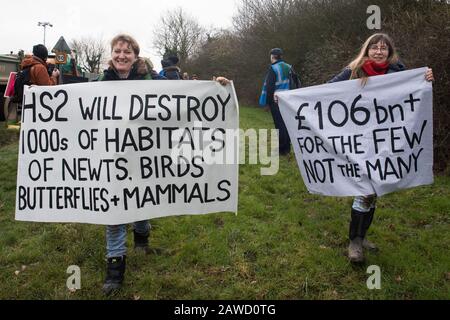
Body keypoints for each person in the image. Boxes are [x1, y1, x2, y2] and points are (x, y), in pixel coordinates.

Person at [98, 34, 230, 295]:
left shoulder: (152, 79)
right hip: (114, 154)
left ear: (135, 56)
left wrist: (216, 86)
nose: (122, 55)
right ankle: (115, 267)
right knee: (114, 208)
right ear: (111, 54)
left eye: (127, 51)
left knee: (142, 197)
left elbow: (182, 94)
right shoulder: (102, 81)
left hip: (147, 152)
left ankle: (142, 241)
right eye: (117, 51)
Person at [328, 33, 434, 263]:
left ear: (389, 52)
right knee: (365, 190)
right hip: (360, 142)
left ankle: (362, 236)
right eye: (374, 48)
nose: (378, 51)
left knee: (375, 191)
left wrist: (425, 78)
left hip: (385, 143)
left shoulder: (399, 73)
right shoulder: (353, 70)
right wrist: (289, 97)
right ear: (367, 50)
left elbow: (415, 93)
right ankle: (354, 242)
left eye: (383, 48)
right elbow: (326, 92)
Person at [259, 48, 292, 155]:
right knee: (286, 124)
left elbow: (269, 87)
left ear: (272, 56)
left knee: (279, 125)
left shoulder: (273, 68)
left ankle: (282, 150)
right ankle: (287, 148)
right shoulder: (289, 67)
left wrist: (268, 102)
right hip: (288, 99)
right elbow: (294, 83)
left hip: (276, 100)